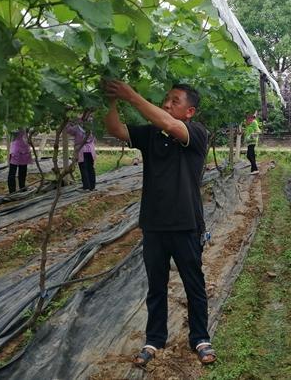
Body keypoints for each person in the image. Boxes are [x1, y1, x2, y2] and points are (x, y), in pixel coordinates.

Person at [103, 80, 216, 367]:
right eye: (166, 99)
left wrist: (131, 95)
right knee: (156, 285)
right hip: (153, 224)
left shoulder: (196, 133)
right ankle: (154, 339)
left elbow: (170, 123)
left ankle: (200, 338)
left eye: (174, 100)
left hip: (186, 224)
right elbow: (116, 130)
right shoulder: (152, 133)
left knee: (194, 284)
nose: (167, 104)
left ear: (189, 111)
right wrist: (112, 101)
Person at [66, 116, 97, 191]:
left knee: (83, 168)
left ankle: (86, 187)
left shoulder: (77, 128)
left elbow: (68, 130)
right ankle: (92, 186)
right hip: (90, 149)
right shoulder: (91, 128)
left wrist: (68, 122)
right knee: (90, 168)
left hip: (81, 150)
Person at [8, 129, 32, 194]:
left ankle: (22, 188)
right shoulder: (13, 122)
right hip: (15, 149)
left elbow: (32, 132)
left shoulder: (27, 121)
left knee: (23, 171)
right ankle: (12, 191)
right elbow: (11, 131)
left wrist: (30, 130)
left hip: (25, 148)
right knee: (12, 172)